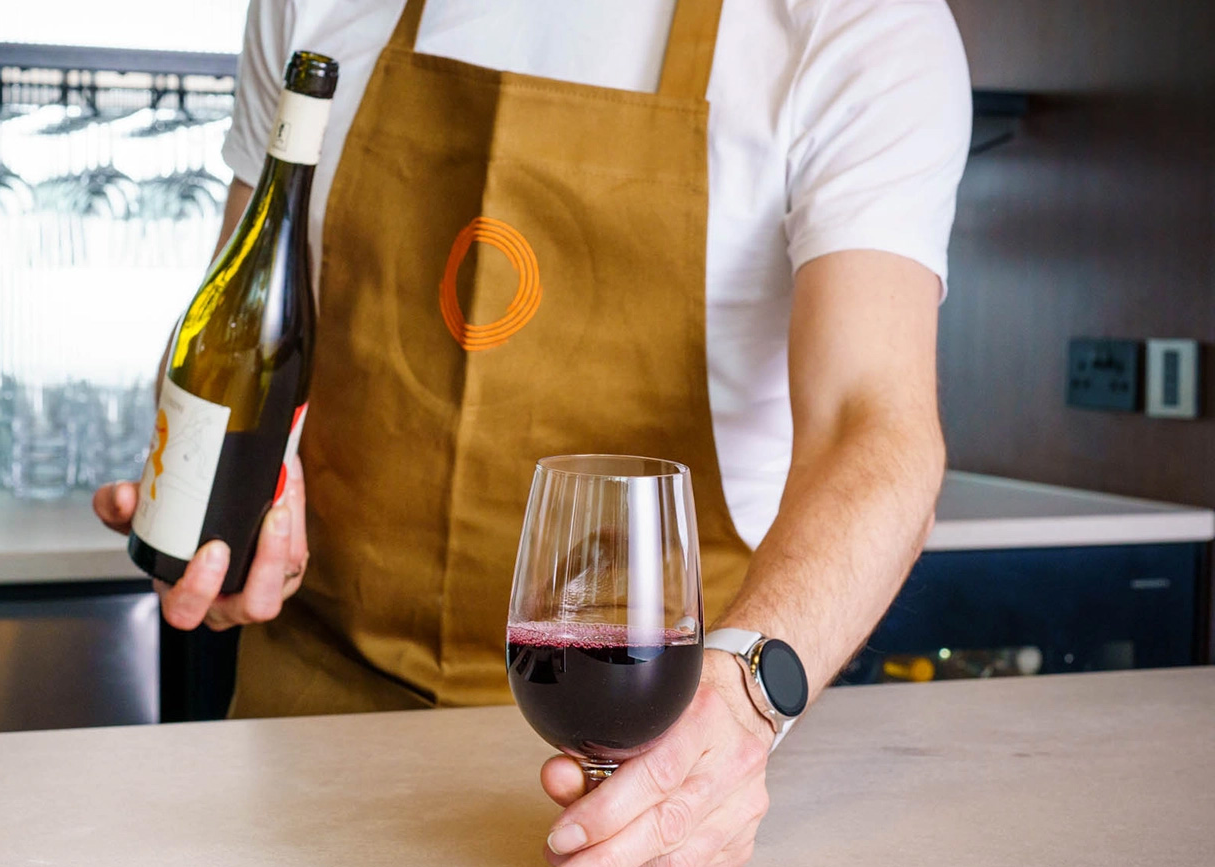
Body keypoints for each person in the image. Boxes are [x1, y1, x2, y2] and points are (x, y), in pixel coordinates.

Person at [96, 0, 969, 863]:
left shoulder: (857, 23)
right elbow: (252, 324)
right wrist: (252, 495)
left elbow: (877, 431)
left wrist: (742, 700)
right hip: (308, 732)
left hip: (646, 759)